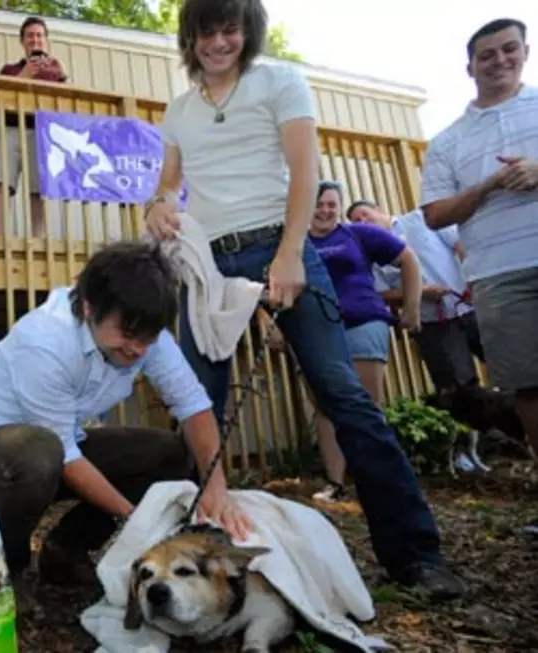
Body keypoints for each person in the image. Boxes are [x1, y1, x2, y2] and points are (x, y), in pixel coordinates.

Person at [145, 0, 462, 598]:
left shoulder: (280, 80)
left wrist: (290, 253)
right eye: (205, 31)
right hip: (210, 265)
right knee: (197, 403)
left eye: (229, 29)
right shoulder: (179, 110)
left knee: (343, 394)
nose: (218, 42)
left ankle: (416, 556)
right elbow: (167, 185)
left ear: (248, 31)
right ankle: (184, 557)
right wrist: (158, 204)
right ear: (190, 37)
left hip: (280, 244)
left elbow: (304, 172)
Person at [0, 241, 252, 586]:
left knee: (169, 453)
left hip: (53, 450)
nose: (137, 349)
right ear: (89, 308)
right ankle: (3, 573)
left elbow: (194, 405)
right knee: (40, 451)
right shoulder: (44, 341)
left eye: (148, 338)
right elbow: (66, 457)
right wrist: (139, 523)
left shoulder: (145, 334)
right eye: (128, 335)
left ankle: (65, 550)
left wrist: (216, 486)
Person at [420, 17, 538, 464]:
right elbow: (434, 213)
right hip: (497, 274)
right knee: (528, 385)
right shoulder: (448, 141)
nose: (499, 61)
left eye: (509, 49)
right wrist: (489, 186)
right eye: (486, 55)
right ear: (470, 68)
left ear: (526, 51)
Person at [307, 181, 422, 503]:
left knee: (365, 403)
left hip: (363, 320)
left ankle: (382, 481)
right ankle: (335, 482)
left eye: (332, 204)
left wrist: (412, 309)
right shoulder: (293, 243)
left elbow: (408, 259)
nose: (325, 210)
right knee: (323, 405)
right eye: (319, 204)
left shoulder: (357, 234)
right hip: (314, 328)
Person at [347, 199, 485, 393]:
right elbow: (382, 293)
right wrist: (423, 291)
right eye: (356, 221)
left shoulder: (421, 218)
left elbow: (460, 244)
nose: (362, 221)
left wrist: (473, 282)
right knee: (460, 387)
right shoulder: (370, 252)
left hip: (472, 305)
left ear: (379, 209)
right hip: (432, 323)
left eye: (364, 214)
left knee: (509, 363)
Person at [0, 16, 69, 238]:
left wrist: (62, 75)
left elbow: (67, 104)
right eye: (31, 36)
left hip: (41, 133)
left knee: (38, 190)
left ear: (46, 41)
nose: (36, 40)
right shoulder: (10, 69)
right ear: (23, 42)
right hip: (12, 130)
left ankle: (38, 239)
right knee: (2, 185)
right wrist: (24, 76)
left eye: (40, 36)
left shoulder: (55, 72)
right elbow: (0, 95)